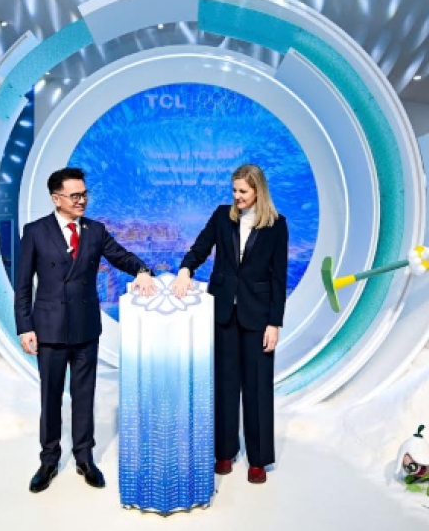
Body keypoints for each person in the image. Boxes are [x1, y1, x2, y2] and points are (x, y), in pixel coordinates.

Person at [15, 167, 156, 493]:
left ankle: (84, 457)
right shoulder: (35, 231)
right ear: (56, 198)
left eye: (84, 194)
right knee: (50, 397)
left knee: (84, 395)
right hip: (49, 328)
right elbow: (22, 285)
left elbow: (120, 256)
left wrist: (142, 270)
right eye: (75, 195)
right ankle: (49, 460)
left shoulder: (95, 230)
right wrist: (25, 327)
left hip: (85, 327)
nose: (82, 201)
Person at [170, 163, 289, 485]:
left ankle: (258, 459)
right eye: (234, 190)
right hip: (223, 313)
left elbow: (279, 278)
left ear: (258, 191)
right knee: (224, 385)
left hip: (258, 316)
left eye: (243, 191)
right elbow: (200, 248)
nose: (237, 196)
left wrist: (274, 323)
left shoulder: (277, 225)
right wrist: (185, 270)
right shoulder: (222, 216)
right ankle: (224, 451)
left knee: (257, 387)